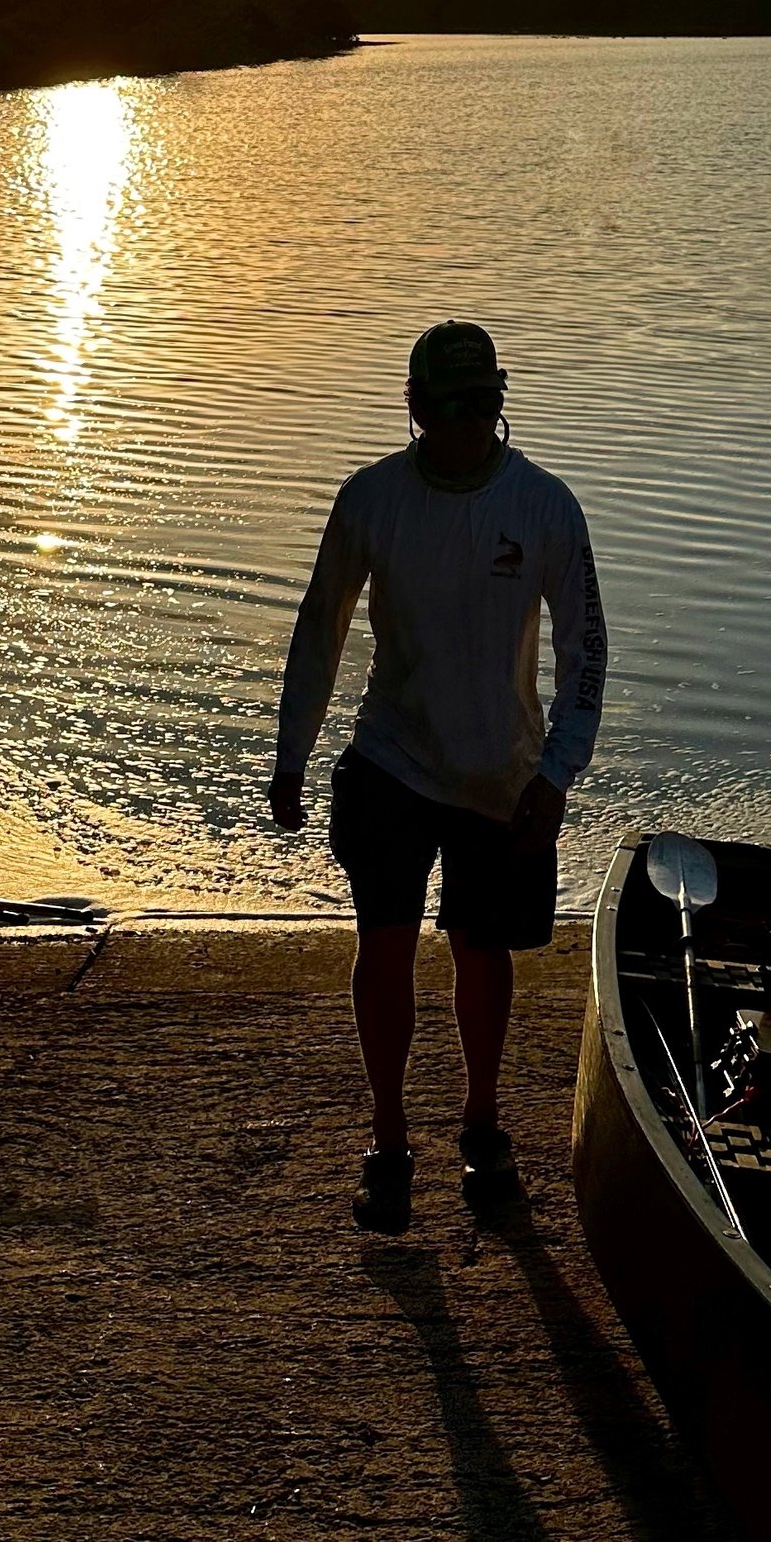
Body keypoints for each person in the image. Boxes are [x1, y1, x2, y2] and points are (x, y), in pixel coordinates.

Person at [269, 320, 607, 1232]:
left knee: (479, 948)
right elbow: (321, 627)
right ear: (414, 409)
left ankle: (482, 1122)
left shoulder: (544, 508)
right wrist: (292, 753)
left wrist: (558, 772)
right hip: (390, 759)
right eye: (451, 406)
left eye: (485, 404)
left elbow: (585, 651)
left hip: (504, 773)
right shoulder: (371, 501)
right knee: (383, 939)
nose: (468, 422)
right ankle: (387, 1136)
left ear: (501, 402)